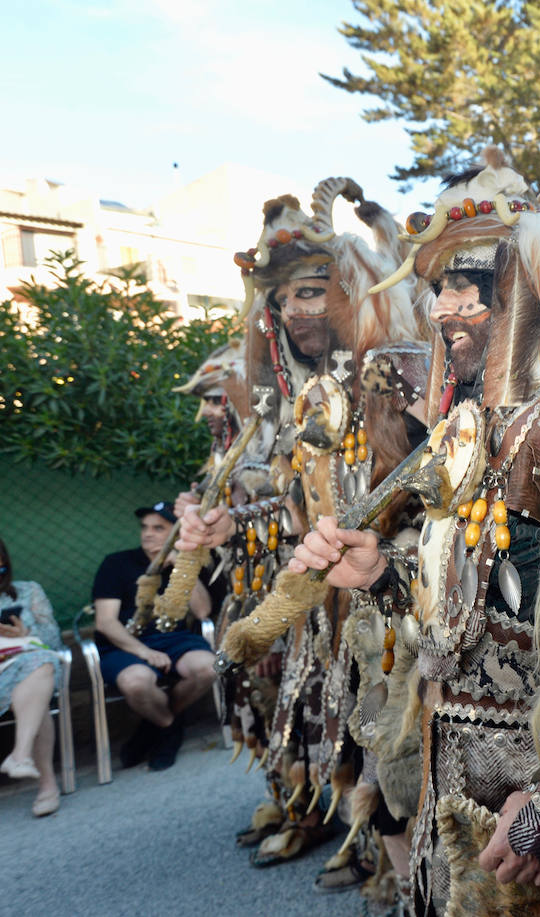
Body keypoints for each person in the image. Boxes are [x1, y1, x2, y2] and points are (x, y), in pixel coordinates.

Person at [292, 137, 540, 916]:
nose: (441, 309)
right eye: (439, 288)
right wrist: (379, 572)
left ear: (532, 289)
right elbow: (465, 617)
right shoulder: (466, 437)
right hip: (457, 797)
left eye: (466, 287)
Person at [177, 177, 426, 879]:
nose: (293, 308)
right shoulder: (294, 406)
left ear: (348, 289)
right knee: (359, 743)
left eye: (310, 291)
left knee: (411, 753)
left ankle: (418, 876)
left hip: (407, 598)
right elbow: (298, 511)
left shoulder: (403, 373)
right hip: (332, 606)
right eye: (282, 299)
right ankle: (392, 869)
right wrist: (235, 522)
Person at [92, 502, 218, 771]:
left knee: (209, 668)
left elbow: (203, 610)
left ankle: (152, 727)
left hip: (175, 639)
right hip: (125, 644)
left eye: (158, 528)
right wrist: (144, 652)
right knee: (136, 684)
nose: (148, 533)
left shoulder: (188, 562)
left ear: (177, 533)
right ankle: (169, 727)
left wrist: (182, 567)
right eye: (145, 527)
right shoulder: (117, 563)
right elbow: (105, 622)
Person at [0, 537, 63, 816]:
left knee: (41, 666)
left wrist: (26, 635)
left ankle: (23, 756)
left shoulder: (28, 592)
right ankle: (41, 777)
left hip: (29, 664)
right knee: (37, 687)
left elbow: (54, 640)